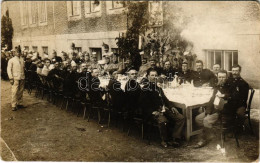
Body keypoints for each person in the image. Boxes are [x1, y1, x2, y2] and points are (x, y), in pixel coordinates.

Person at [139, 68, 185, 148]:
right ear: (148, 77)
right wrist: (152, 112)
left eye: (156, 75)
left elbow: (165, 99)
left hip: (164, 109)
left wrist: (171, 107)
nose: (154, 77)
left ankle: (175, 138)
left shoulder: (158, 87)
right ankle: (164, 140)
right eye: (152, 75)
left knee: (181, 118)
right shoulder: (145, 89)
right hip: (153, 112)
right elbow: (143, 104)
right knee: (163, 120)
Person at [194, 70, 229, 148]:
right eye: (220, 77)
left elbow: (229, 97)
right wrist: (208, 111)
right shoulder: (217, 86)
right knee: (198, 119)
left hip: (221, 111)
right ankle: (210, 133)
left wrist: (224, 96)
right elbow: (211, 100)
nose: (221, 79)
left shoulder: (229, 87)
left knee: (206, 120)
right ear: (217, 77)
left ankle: (204, 139)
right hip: (213, 109)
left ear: (226, 77)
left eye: (223, 77)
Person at [7, 46, 26, 111]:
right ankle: (13, 105)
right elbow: (9, 69)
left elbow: (23, 68)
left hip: (22, 77)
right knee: (14, 91)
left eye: (19, 52)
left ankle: (20, 103)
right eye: (17, 52)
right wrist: (11, 78)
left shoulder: (22, 59)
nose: (18, 53)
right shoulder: (11, 60)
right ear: (14, 53)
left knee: (21, 91)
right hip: (15, 77)